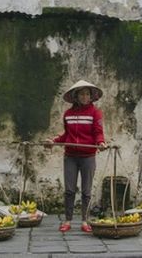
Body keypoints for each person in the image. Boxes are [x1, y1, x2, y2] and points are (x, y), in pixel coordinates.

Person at [46, 80, 107, 233]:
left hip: (88, 156)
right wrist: (53, 141)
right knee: (69, 190)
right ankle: (67, 220)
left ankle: (85, 221)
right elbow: (67, 135)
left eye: (87, 94)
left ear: (91, 96)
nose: (85, 97)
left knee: (86, 190)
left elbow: (98, 132)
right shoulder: (68, 114)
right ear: (76, 96)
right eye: (82, 94)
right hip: (70, 156)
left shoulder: (95, 113)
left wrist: (100, 142)